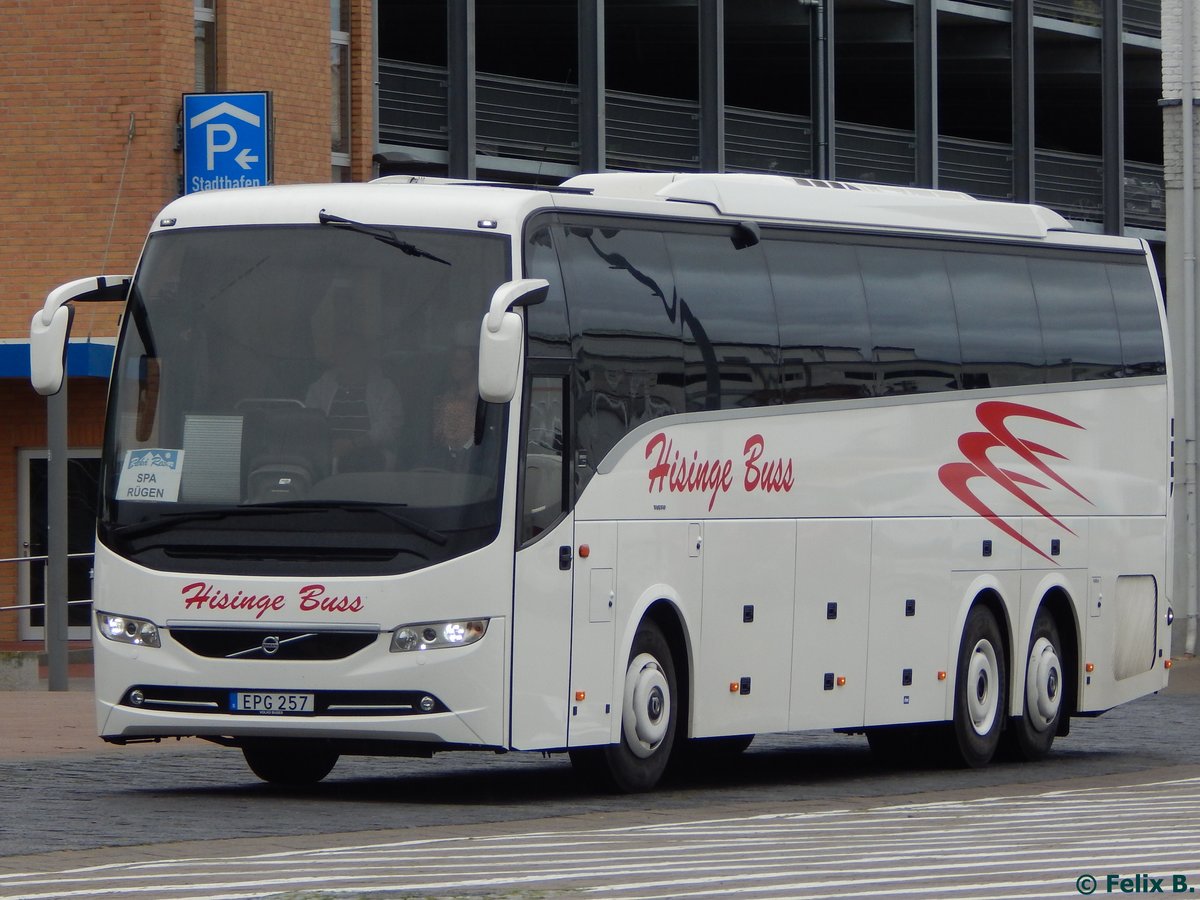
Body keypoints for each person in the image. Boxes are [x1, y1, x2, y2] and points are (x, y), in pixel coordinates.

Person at [305, 319, 403, 472]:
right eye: (341, 354)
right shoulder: (319, 388)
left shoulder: (384, 388)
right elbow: (309, 425)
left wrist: (353, 444)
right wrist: (329, 447)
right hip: (326, 454)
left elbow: (389, 428)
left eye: (351, 353)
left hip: (369, 456)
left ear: (364, 355)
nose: (346, 359)